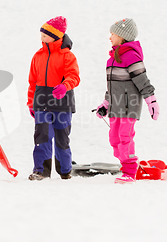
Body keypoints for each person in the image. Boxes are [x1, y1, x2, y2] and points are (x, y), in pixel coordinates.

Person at [95, 18, 159, 184]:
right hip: (116, 106)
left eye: (113, 34)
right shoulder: (112, 60)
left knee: (125, 137)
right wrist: (106, 104)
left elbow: (142, 80)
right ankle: (127, 165)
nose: (110, 38)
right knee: (114, 139)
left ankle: (130, 171)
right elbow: (112, 88)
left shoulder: (131, 56)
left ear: (122, 37)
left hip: (129, 105)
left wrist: (151, 100)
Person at [27, 16, 80, 180]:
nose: (41, 38)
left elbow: (74, 76)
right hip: (42, 103)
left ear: (56, 36)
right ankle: (40, 171)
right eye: (41, 34)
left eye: (45, 35)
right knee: (41, 136)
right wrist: (31, 103)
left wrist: (64, 86)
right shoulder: (38, 56)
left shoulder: (67, 56)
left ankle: (65, 171)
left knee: (62, 138)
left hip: (62, 105)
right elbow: (32, 81)